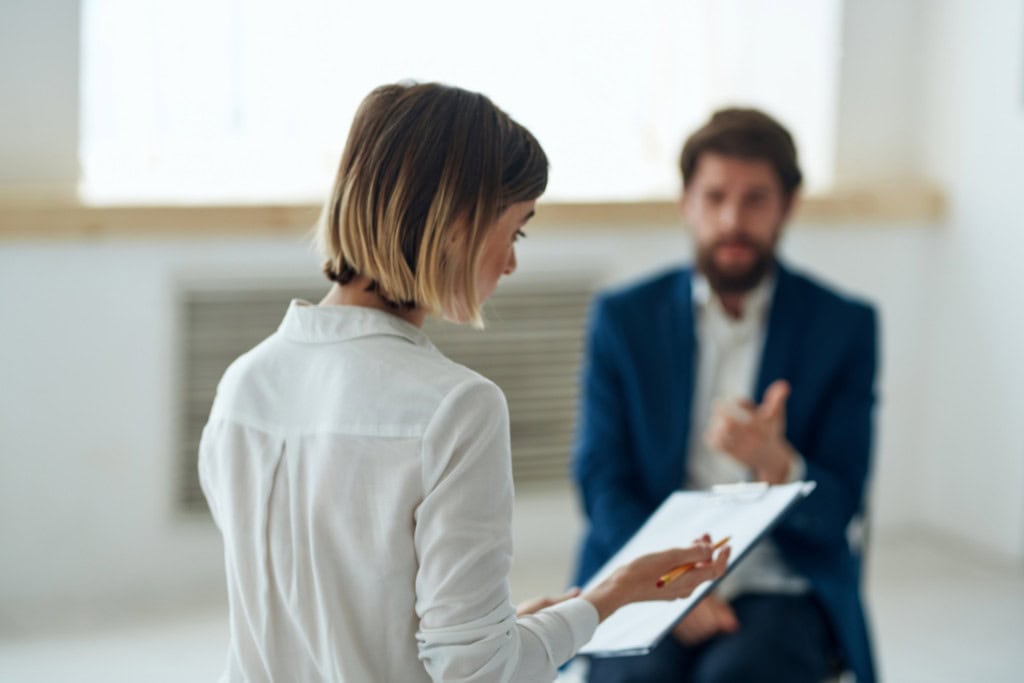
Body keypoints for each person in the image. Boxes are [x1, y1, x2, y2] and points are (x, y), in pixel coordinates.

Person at [198, 82, 729, 683]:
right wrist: (609, 598)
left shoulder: (242, 387)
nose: (511, 262)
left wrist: (506, 631)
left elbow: (332, 625)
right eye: (517, 229)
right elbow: (480, 676)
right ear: (457, 224)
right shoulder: (457, 408)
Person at [572, 108, 878, 683]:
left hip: (781, 575)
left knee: (738, 675)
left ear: (788, 205)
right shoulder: (624, 318)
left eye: (755, 199)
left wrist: (776, 463)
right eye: (715, 197)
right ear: (687, 201)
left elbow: (842, 505)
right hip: (650, 567)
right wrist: (668, 582)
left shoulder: (844, 326)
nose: (732, 219)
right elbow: (600, 477)